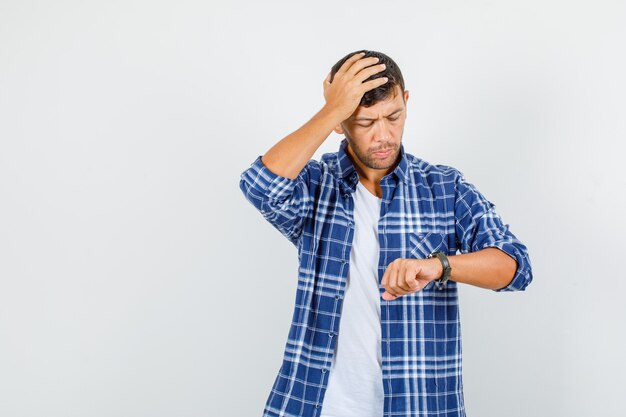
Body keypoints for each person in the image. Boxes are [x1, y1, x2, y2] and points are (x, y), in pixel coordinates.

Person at [239, 49, 533, 417]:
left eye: (393, 116)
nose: (383, 135)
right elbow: (260, 186)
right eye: (364, 123)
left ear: (406, 102)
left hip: (419, 406)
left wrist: (438, 265)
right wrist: (332, 110)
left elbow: (516, 267)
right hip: (314, 404)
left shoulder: (444, 188)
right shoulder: (316, 186)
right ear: (340, 123)